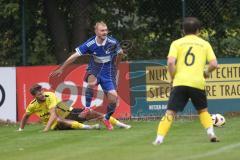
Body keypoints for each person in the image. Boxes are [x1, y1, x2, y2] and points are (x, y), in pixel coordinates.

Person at [153, 17, 219, 145]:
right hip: (197, 82)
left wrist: (173, 77)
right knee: (203, 110)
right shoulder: (205, 44)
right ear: (198, 31)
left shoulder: (176, 43)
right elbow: (214, 64)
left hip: (180, 82)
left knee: (170, 112)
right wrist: (206, 73)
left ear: (183, 30)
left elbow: (171, 62)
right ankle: (211, 132)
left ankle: (159, 139)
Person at [50, 21, 125, 130]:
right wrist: (62, 68)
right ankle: (87, 108)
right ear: (96, 32)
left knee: (114, 99)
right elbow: (74, 56)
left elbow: (121, 53)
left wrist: (116, 66)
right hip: (94, 69)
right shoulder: (90, 44)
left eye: (106, 30)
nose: (105, 32)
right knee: (92, 82)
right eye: (102, 30)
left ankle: (106, 118)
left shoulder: (112, 42)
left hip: (107, 72)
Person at [18, 84, 131, 132]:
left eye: (42, 92)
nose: (42, 94)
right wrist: (21, 129)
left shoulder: (49, 96)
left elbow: (53, 112)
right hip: (56, 124)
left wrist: (45, 129)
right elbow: (25, 116)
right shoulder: (32, 105)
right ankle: (90, 128)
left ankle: (122, 125)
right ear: (35, 96)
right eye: (39, 94)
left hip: (69, 112)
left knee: (93, 113)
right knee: (58, 119)